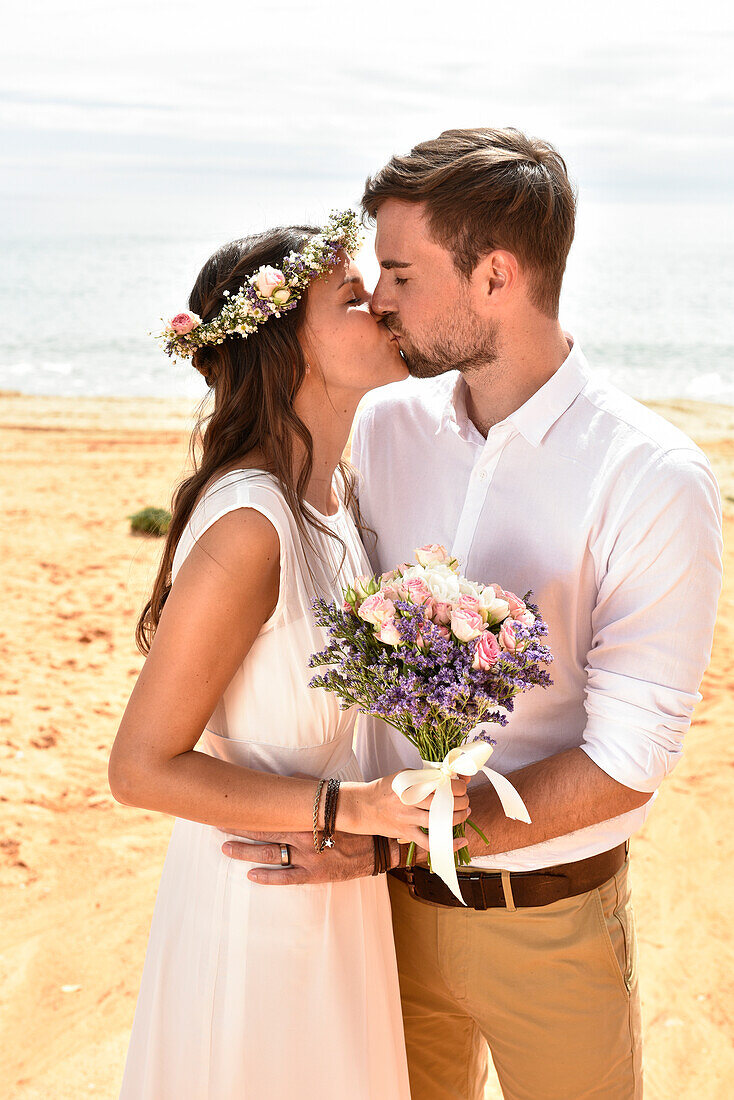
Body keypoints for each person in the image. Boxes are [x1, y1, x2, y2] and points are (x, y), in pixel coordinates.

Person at [227, 131, 724, 1099]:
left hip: (545, 922)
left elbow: (629, 759)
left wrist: (404, 835)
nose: (378, 298)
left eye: (401, 273)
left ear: (493, 275)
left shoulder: (649, 475)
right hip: (367, 919)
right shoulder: (380, 428)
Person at [108, 211, 470, 1099]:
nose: (384, 304)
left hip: (335, 901)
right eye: (354, 297)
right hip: (258, 914)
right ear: (287, 349)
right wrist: (352, 806)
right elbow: (139, 768)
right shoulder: (248, 525)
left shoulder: (337, 498)